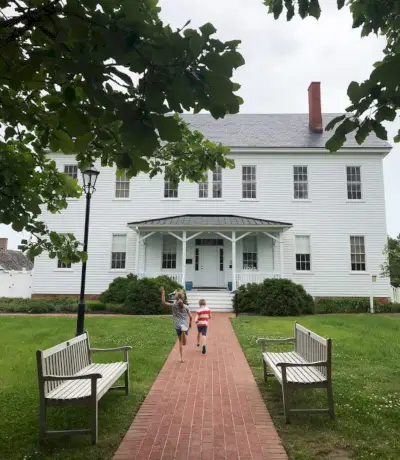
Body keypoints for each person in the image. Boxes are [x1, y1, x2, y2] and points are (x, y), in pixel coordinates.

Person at [161, 287, 192, 363]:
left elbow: (164, 303)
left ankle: (181, 358)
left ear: (176, 298)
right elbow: (191, 316)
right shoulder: (186, 307)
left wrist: (163, 293)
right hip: (185, 324)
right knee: (184, 343)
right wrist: (190, 323)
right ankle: (184, 331)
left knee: (180, 342)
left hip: (177, 325)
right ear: (183, 298)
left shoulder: (173, 305)